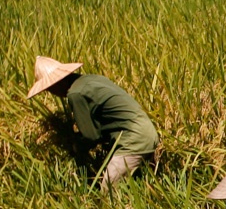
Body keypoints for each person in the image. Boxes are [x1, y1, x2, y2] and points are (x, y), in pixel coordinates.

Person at [26, 56, 160, 188]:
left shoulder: (76, 94)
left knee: (109, 192)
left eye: (50, 89)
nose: (52, 93)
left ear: (57, 83)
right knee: (137, 184)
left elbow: (91, 136)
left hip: (134, 139)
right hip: (147, 130)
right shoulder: (91, 79)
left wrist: (75, 146)